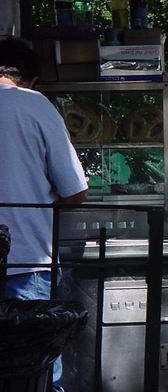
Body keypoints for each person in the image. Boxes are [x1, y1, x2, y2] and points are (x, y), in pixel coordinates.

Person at [0, 38, 88, 392]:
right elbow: (75, 191)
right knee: (37, 370)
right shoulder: (35, 106)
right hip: (28, 258)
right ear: (32, 80)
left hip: (25, 259)